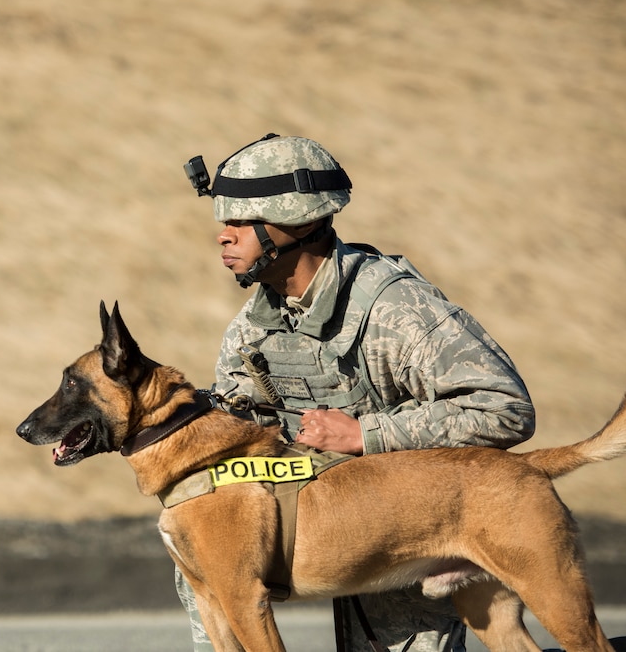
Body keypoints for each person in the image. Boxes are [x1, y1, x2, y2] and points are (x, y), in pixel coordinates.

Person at [177, 134, 536, 651]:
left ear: (295, 222)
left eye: (238, 223)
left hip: (413, 531)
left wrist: (365, 434)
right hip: (316, 527)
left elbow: (505, 409)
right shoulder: (251, 329)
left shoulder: (396, 310)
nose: (223, 237)